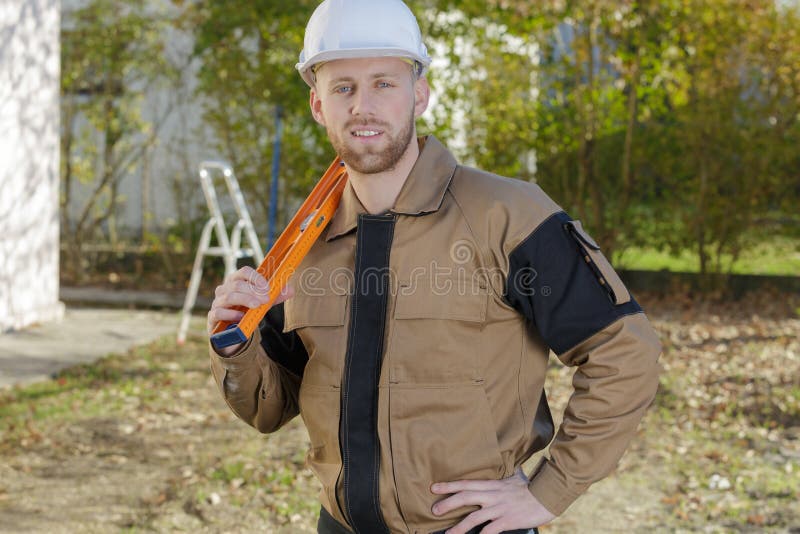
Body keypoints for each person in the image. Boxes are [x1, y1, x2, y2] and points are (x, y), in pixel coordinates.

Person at [207, 0, 662, 533]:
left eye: (384, 83)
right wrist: (235, 345)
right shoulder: (305, 242)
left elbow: (625, 352)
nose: (363, 106)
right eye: (343, 87)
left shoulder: (507, 215)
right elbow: (268, 408)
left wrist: (548, 491)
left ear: (419, 95)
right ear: (317, 104)